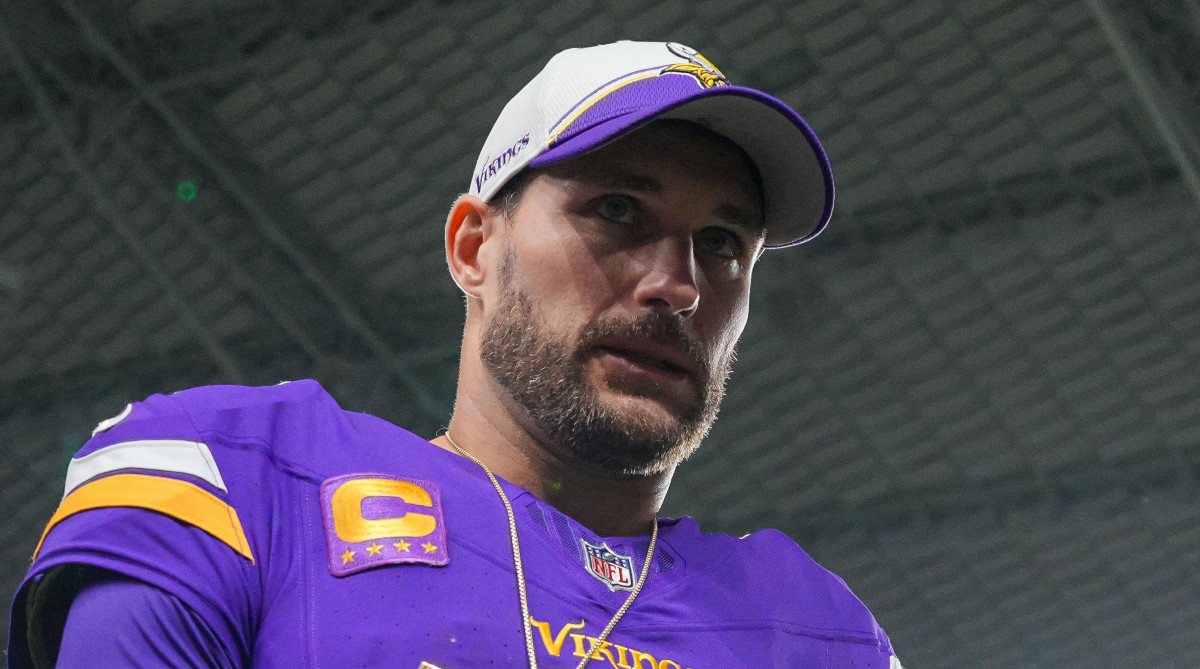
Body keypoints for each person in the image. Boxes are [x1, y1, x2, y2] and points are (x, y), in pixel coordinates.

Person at [7, 40, 902, 668]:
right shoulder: (243, 478)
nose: (678, 283)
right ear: (475, 248)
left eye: (722, 245)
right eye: (617, 211)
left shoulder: (823, 634)